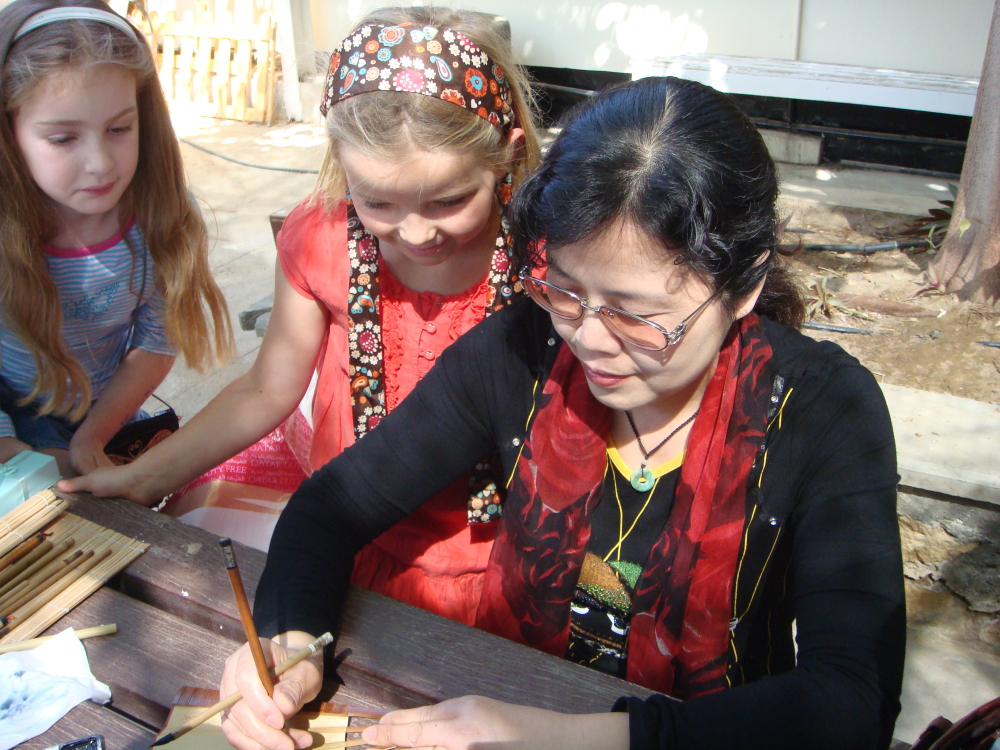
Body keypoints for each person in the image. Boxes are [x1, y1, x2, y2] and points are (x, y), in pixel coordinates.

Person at [219, 76, 906, 750]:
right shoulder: (524, 350)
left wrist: (572, 738)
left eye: (638, 315)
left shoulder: (822, 412)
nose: (590, 339)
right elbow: (331, 507)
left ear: (745, 282)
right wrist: (290, 644)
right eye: (565, 291)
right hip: (502, 705)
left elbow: (851, 702)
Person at [63, 8, 541, 622]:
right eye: (379, 202)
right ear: (341, 162)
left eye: (449, 200)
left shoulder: (547, 262)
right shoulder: (323, 241)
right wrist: (147, 476)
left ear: (506, 155)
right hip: (341, 538)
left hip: (499, 560)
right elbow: (267, 387)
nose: (418, 233)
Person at [0, 0, 232, 477]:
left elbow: (158, 340)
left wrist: (93, 436)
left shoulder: (161, 214)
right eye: (63, 139)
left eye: (119, 128)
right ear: (8, 130)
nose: (101, 163)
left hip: (106, 417)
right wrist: (13, 451)